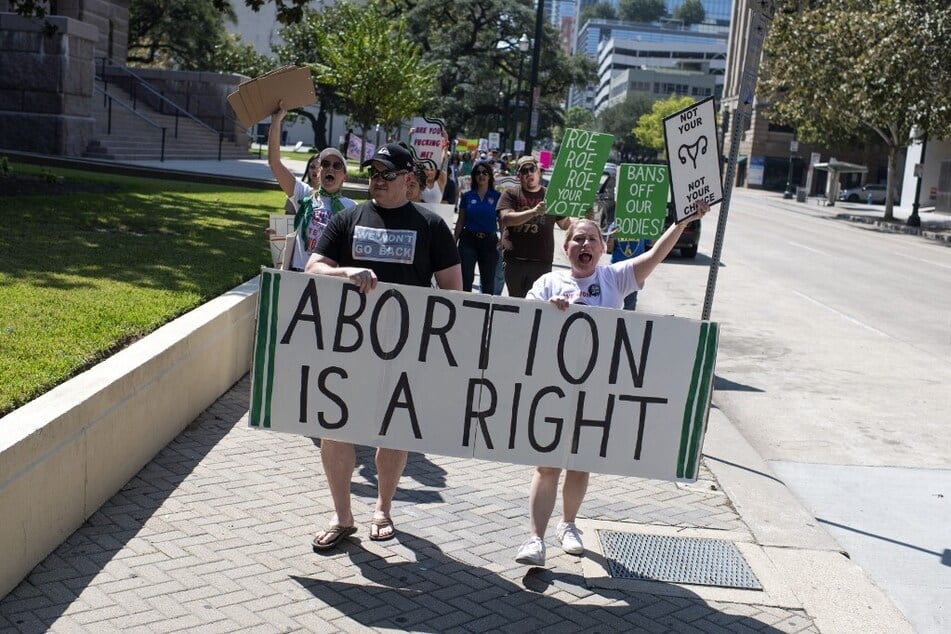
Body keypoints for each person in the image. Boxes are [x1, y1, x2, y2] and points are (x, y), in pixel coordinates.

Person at [514, 203, 711, 566]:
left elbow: (655, 254)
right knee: (547, 465)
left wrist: (682, 223)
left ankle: (569, 525)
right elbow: (524, 324)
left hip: (597, 389)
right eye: (577, 239)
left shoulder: (614, 279)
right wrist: (547, 310)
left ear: (603, 248)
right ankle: (535, 539)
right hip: (554, 387)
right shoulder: (547, 283)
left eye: (592, 239)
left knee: (579, 462)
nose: (584, 244)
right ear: (566, 248)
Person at [304, 141, 462, 550]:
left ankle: (383, 509)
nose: (377, 180)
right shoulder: (349, 219)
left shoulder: (431, 226)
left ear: (409, 179)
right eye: (373, 173)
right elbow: (313, 267)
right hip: (348, 349)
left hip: (405, 351)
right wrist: (346, 271)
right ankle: (342, 517)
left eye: (386, 174)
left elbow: (454, 293)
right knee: (334, 431)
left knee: (393, 432)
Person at [268, 100, 354, 271]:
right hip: (298, 272)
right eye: (326, 164)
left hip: (328, 277)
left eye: (337, 166)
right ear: (319, 171)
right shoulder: (304, 194)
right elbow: (274, 162)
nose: (330, 168)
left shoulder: (352, 208)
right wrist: (277, 121)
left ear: (345, 176)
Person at [497, 155, 571, 297]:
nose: (529, 173)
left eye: (532, 169)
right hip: (515, 261)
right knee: (517, 303)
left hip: (542, 262)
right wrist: (534, 212)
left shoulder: (551, 195)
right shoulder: (510, 194)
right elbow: (506, 219)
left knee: (536, 303)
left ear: (538, 172)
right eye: (524, 171)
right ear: (519, 176)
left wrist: (583, 219)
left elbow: (565, 224)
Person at [453, 160, 500, 293]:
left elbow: (502, 220)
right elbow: (460, 221)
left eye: (485, 172)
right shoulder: (467, 196)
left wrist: (504, 238)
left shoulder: (497, 196)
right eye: (478, 172)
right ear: (474, 176)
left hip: (489, 242)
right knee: (466, 279)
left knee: (488, 281)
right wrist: (454, 240)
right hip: (468, 240)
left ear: (490, 176)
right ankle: (465, 310)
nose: (481, 175)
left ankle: (486, 312)